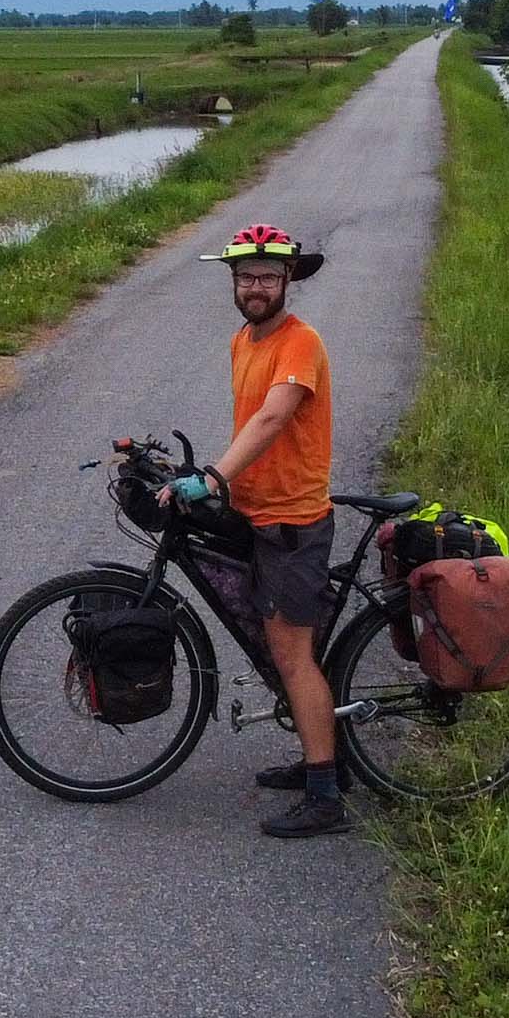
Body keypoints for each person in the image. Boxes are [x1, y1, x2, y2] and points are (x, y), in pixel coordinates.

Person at [165, 222, 347, 837]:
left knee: (293, 657)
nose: (257, 287)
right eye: (247, 278)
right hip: (256, 512)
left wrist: (212, 477)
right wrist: (212, 476)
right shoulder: (245, 340)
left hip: (292, 522)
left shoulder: (300, 342)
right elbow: (250, 426)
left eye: (269, 277)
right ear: (234, 283)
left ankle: (327, 796)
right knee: (283, 647)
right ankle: (318, 754)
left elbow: (272, 418)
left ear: (289, 279)